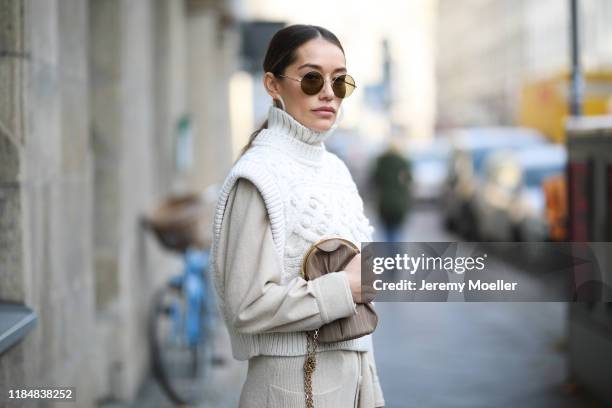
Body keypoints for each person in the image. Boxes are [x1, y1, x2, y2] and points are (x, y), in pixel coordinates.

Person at [210, 24, 385, 407]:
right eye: (311, 78)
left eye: (340, 82)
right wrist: (346, 288)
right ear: (273, 85)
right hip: (294, 386)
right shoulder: (257, 176)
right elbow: (247, 306)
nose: (328, 93)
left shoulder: (335, 168)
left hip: (358, 380)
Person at [371, 144, 412, 242]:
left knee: (387, 232)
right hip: (400, 203)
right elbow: (409, 181)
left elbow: (374, 181)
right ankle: (395, 255)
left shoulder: (381, 163)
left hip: (384, 202)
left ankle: (388, 254)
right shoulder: (404, 163)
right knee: (397, 232)